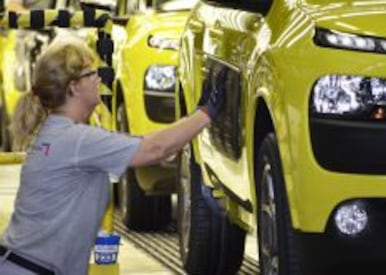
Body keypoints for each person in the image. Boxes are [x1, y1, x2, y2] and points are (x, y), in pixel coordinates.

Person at [0, 37, 226, 275]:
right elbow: (154, 149)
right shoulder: (75, 140)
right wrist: (206, 114)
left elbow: (157, 149)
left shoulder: (57, 134)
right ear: (74, 87)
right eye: (91, 73)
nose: (99, 79)